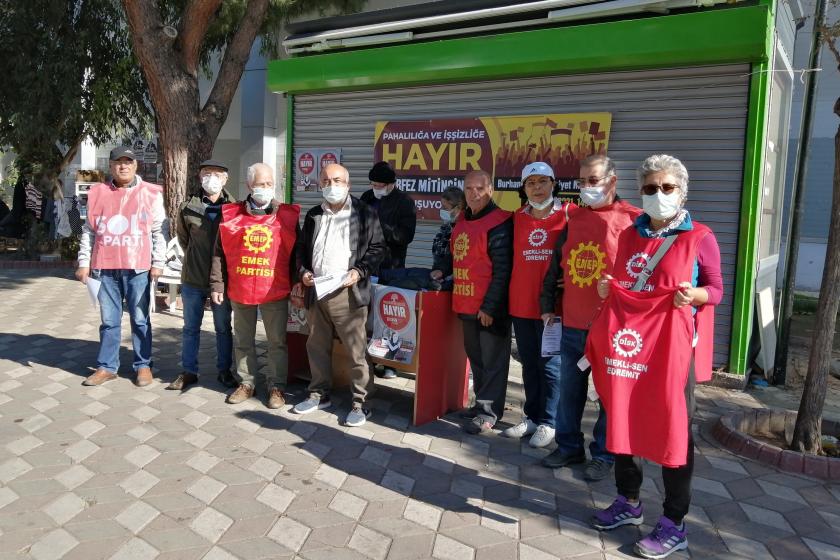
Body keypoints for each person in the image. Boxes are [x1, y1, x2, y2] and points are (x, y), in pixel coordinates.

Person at [590, 154, 722, 559]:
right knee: (622, 419)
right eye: (650, 188)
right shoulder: (630, 235)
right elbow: (623, 283)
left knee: (673, 433)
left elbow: (715, 289)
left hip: (671, 355)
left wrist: (693, 295)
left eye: (667, 188)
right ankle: (628, 501)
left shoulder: (699, 237)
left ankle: (674, 524)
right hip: (629, 351)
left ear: (682, 191)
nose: (658, 195)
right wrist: (606, 289)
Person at [539, 154, 641, 480]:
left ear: (612, 181)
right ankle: (568, 447)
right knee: (570, 390)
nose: (586, 187)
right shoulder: (575, 220)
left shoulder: (633, 220)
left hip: (611, 326)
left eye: (593, 180)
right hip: (572, 322)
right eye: (582, 181)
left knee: (610, 396)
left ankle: (605, 454)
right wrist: (548, 304)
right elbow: (556, 265)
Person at [292, 163, 385, 427]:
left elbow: (378, 248)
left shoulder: (364, 213)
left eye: (337, 180)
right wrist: (303, 272)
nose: (331, 185)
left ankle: (361, 402)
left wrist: (359, 271)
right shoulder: (313, 215)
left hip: (348, 292)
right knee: (317, 346)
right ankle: (318, 393)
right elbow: (301, 250)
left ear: (348, 184)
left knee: (356, 351)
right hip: (317, 291)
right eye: (325, 181)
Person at [209, 163, 300, 409]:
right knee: (243, 338)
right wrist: (217, 284)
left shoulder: (286, 215)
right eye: (261, 184)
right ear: (249, 185)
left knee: (276, 341)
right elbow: (219, 253)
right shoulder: (231, 214)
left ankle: (276, 386)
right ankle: (246, 382)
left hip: (275, 287)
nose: (266, 188)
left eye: (270, 183)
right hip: (241, 284)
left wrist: (297, 284)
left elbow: (296, 255)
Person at [76, 147, 166, 387]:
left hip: (138, 269)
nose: (123, 166)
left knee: (140, 319)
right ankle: (107, 366)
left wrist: (158, 263)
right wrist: (84, 262)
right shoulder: (97, 193)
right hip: (104, 269)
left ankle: (143, 365)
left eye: (128, 162)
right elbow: (89, 231)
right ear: (111, 165)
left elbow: (159, 232)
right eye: (118, 162)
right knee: (109, 321)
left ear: (136, 165)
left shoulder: (151, 193)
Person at [503, 162, 574, 448]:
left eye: (542, 181)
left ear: (554, 183)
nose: (537, 187)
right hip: (521, 304)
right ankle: (532, 417)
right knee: (529, 365)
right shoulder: (516, 218)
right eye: (531, 183)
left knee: (551, 367)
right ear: (524, 187)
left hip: (553, 308)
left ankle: (550, 422)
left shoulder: (572, 215)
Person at [450, 170, 513, 434]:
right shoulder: (462, 219)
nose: (474, 194)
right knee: (477, 360)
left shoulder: (500, 222)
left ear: (491, 190)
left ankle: (489, 412)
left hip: (488, 309)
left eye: (479, 188)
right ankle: (480, 406)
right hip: (466, 304)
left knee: (493, 361)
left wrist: (490, 307)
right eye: (468, 189)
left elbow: (503, 269)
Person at [168, 160, 235, 391]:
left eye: (217, 174)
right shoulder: (188, 206)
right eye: (207, 173)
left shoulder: (234, 207)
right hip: (193, 278)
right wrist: (197, 257)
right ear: (199, 177)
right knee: (190, 328)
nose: (212, 178)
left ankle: (225, 370)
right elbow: (184, 239)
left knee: (223, 328)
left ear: (226, 179)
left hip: (223, 280)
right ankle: (189, 371)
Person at [360, 161, 416, 269]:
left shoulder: (404, 202)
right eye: (372, 184)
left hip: (390, 264)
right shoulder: (367, 196)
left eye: (378, 185)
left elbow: (406, 236)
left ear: (390, 184)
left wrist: (378, 225)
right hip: (366, 260)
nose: (374, 188)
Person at [430, 186, 466, 285]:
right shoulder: (446, 227)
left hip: (457, 282)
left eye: (445, 208)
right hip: (439, 277)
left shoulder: (466, 230)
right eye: (441, 206)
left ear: (458, 208)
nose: (442, 210)